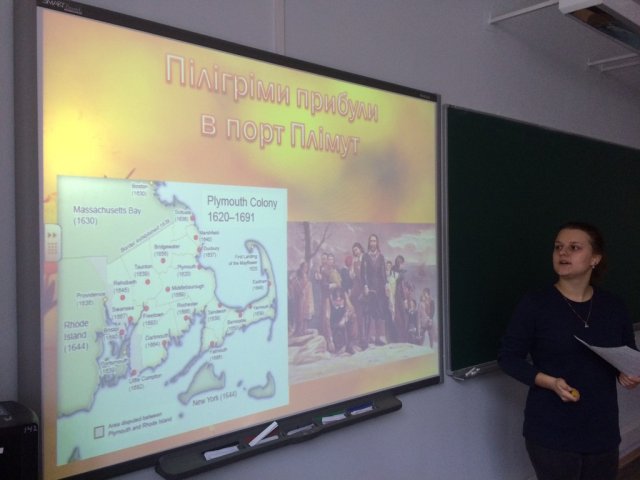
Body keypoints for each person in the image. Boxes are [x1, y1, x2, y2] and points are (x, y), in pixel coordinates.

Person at [498, 221, 640, 480]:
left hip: (602, 430)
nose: (563, 253)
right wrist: (550, 382)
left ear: (595, 259)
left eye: (574, 247)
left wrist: (627, 375)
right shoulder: (535, 304)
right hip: (551, 431)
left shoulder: (614, 306)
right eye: (558, 247)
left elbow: (628, 355)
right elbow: (508, 358)